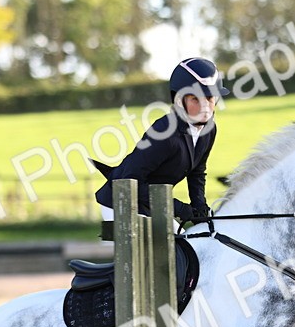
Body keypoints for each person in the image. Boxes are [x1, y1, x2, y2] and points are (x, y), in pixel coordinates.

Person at [94, 57, 228, 223]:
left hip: (153, 204)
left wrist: (199, 206)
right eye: (196, 99)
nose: (205, 107)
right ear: (180, 100)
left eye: (210, 99)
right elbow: (129, 181)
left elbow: (197, 171)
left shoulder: (209, 130)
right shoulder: (164, 132)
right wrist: (177, 207)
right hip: (121, 202)